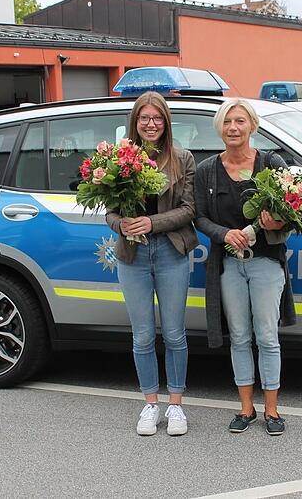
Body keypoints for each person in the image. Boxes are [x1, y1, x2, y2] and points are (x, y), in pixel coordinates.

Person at [194, 99, 296, 436]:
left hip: (266, 262)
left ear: (252, 126)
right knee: (238, 337)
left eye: (239, 121)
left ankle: (272, 410)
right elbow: (200, 217)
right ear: (220, 129)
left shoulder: (271, 162)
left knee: (267, 336)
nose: (233, 128)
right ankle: (245, 409)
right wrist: (225, 234)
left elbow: (295, 211)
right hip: (229, 265)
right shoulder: (207, 169)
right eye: (227, 122)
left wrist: (278, 219)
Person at [105, 91, 198, 436]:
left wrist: (152, 223)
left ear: (166, 122)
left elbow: (190, 209)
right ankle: (150, 404)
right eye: (144, 118)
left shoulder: (182, 159)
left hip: (172, 252)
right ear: (135, 122)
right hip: (133, 255)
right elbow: (109, 211)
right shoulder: (119, 159)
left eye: (157, 118)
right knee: (142, 335)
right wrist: (122, 224)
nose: (150, 124)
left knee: (174, 333)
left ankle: (176, 406)